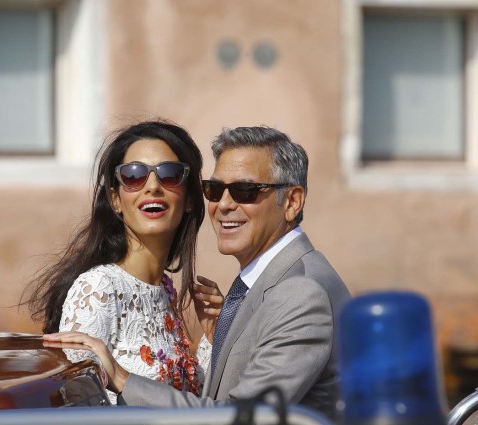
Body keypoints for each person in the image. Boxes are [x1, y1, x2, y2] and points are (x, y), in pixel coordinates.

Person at [44, 126, 351, 419]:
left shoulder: (300, 292)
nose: (224, 205)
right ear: (115, 198)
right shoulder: (99, 288)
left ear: (292, 201)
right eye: (215, 190)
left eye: (245, 191)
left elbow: (239, 416)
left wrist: (124, 379)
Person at [24, 120, 222, 404]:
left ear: (189, 198)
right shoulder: (98, 288)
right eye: (133, 175)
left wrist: (214, 338)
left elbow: (186, 403)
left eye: (169, 174)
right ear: (116, 199)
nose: (152, 186)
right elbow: (76, 409)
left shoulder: (165, 290)